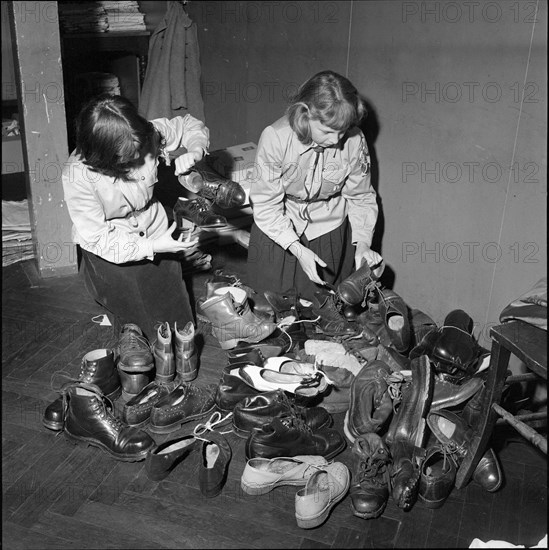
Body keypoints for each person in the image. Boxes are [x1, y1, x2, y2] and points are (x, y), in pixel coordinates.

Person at [62, 94, 210, 340]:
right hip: (112, 244)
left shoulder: (145, 134)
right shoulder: (76, 175)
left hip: (154, 228)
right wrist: (153, 246)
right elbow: (99, 237)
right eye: (125, 155)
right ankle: (98, 283)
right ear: (102, 154)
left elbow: (189, 124)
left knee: (179, 326)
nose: (137, 157)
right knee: (138, 327)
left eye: (139, 148)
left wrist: (194, 150)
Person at [246, 70, 382, 303]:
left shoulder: (354, 140)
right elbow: (266, 205)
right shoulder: (276, 137)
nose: (336, 141)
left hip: (327, 228)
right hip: (278, 225)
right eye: (328, 131)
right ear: (304, 115)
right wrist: (297, 249)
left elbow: (361, 197)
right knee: (268, 307)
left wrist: (363, 245)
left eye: (342, 131)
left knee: (323, 307)